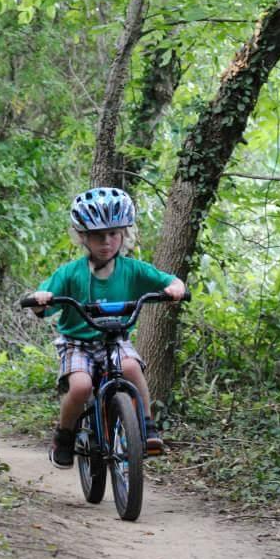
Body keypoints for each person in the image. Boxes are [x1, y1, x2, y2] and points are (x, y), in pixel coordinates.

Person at [30, 187, 186, 469]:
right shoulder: (70, 273)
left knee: (131, 368)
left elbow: (170, 280)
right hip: (77, 343)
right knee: (80, 387)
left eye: (114, 234)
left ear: (124, 235)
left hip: (114, 339)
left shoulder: (133, 269)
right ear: (82, 237)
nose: (107, 241)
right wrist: (41, 300)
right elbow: (44, 302)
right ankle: (64, 436)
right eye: (98, 236)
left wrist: (175, 289)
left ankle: (147, 426)